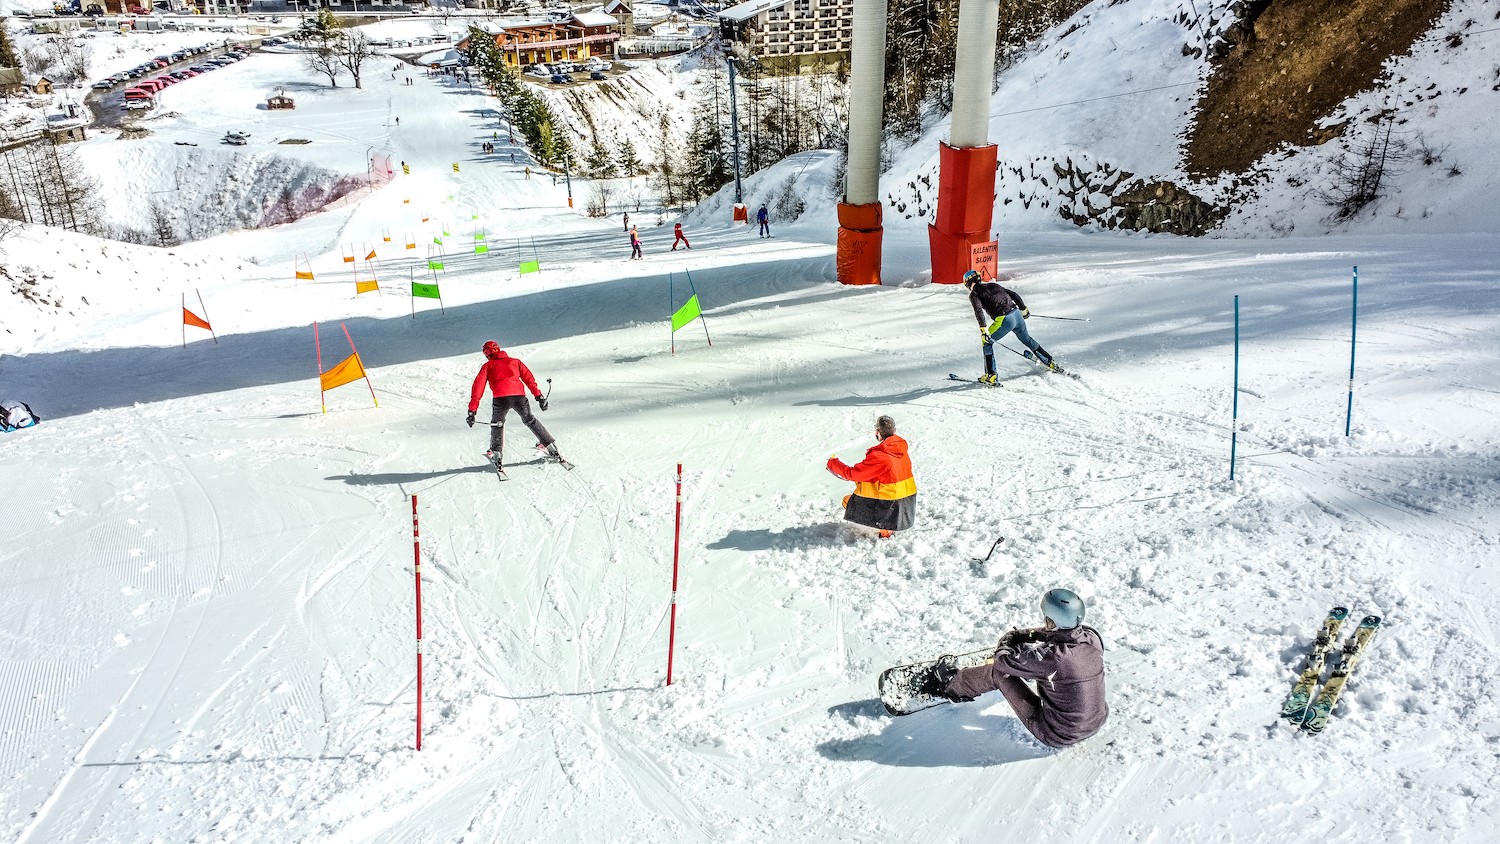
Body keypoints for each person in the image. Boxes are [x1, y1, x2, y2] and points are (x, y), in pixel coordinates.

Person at [925, 588, 1108, 748]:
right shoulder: (1092, 637)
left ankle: (952, 686)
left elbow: (1001, 661)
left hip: (1057, 734)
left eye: (1046, 619)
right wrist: (1030, 634)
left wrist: (1007, 642)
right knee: (1042, 666)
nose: (1044, 621)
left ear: (1051, 621)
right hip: (1094, 723)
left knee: (999, 673)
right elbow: (1060, 636)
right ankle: (1027, 667)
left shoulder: (1053, 658)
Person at [466, 340, 564, 470]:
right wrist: (538, 396)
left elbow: (478, 387)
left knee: (497, 424)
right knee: (530, 420)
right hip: (519, 397)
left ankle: (497, 454)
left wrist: (472, 410)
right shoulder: (515, 362)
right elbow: (529, 379)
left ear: (486, 354)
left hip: (500, 399)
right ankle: (551, 446)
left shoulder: (488, 366)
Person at [825, 414, 915, 539]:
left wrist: (833, 463)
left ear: (877, 432)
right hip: (906, 504)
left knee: (848, 501)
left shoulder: (880, 455)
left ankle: (885, 527)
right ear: (894, 431)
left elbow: (852, 474)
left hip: (889, 506)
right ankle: (887, 524)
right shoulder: (900, 450)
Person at [963, 269, 1056, 383]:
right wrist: (1023, 309)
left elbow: (978, 311)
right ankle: (1049, 362)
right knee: (1027, 339)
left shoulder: (974, 294)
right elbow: (1013, 294)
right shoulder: (993, 285)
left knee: (987, 342)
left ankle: (991, 375)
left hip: (1004, 319)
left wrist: (983, 329)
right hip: (1016, 314)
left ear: (968, 282)